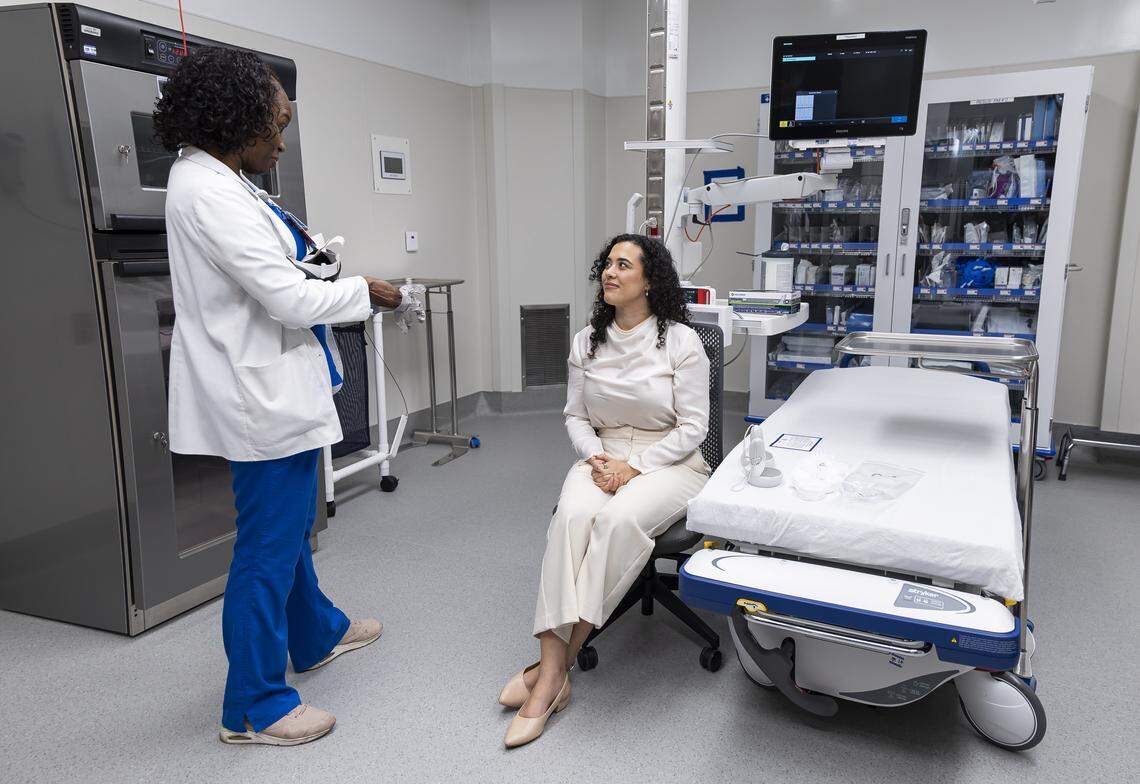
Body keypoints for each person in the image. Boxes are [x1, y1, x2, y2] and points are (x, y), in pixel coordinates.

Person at [153, 46, 402, 746]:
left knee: (289, 528)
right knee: (265, 548)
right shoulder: (205, 190)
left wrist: (320, 266)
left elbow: (276, 269)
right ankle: (253, 706)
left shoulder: (225, 180)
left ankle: (316, 632)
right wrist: (364, 292)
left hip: (270, 388)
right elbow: (288, 298)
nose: (281, 141)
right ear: (236, 120)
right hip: (255, 399)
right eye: (277, 125)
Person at [499, 234, 712, 748]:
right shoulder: (586, 340)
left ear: (651, 280)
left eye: (623, 265)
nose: (610, 274)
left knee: (617, 522)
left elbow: (695, 428)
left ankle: (551, 673)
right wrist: (597, 457)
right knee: (571, 519)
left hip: (670, 460)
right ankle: (556, 672)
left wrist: (633, 467)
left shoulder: (681, 342)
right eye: (607, 265)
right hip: (601, 454)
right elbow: (575, 415)